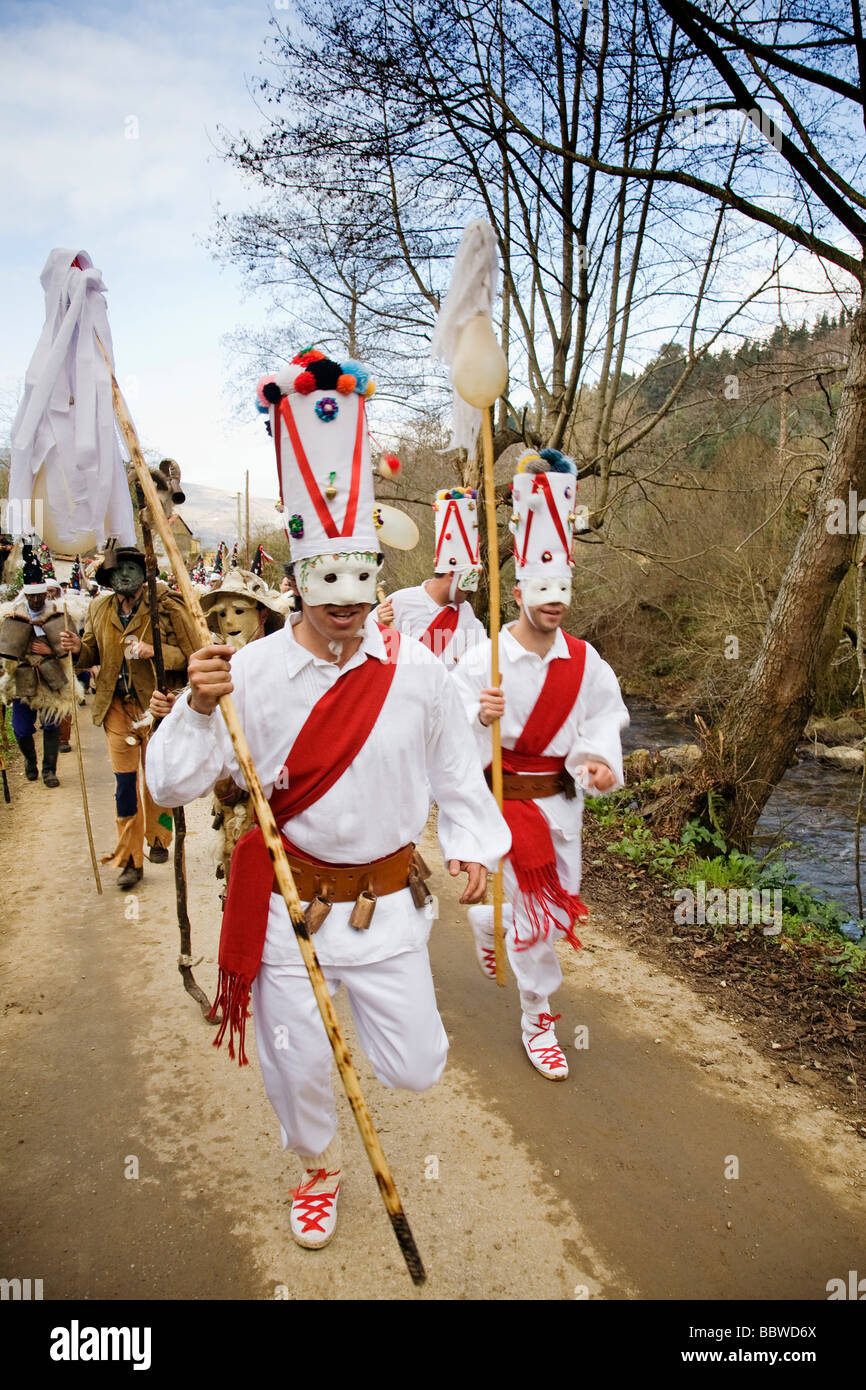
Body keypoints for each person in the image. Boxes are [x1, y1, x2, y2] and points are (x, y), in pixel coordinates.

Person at [146, 347, 509, 1251]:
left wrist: (472, 846)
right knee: (302, 1066)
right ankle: (318, 1166)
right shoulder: (249, 673)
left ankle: (351, 1046)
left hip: (387, 908)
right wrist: (196, 708)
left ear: (375, 575)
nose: (347, 606)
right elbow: (167, 784)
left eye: (361, 582)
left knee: (419, 1068)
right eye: (328, 584)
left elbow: (461, 771)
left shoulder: (417, 674)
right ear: (300, 577)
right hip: (288, 911)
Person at [452, 449, 628, 1080]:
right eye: (542, 590)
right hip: (501, 805)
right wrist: (478, 713)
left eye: (563, 591)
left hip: (560, 807)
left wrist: (600, 762)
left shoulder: (587, 662)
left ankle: (486, 922)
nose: (554, 602)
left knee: (549, 916)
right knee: (529, 925)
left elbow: (603, 720)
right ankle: (538, 1019)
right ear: (520, 589)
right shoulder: (482, 662)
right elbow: (448, 740)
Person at [60, 545, 198, 889]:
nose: (123, 575)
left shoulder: (166, 606)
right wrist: (78, 648)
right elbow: (93, 649)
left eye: (131, 569)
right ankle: (131, 860)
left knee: (157, 780)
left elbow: (193, 653)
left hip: (157, 707)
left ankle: (159, 839)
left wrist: (156, 651)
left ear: (145, 573)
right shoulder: (99, 607)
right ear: (107, 578)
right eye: (116, 571)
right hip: (117, 707)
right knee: (124, 786)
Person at [378, 487, 486, 668]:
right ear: (452, 574)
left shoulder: (466, 612)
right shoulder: (398, 601)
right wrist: (380, 626)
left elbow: (481, 660)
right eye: (469, 580)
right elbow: (368, 649)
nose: (471, 589)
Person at [0, 542, 72, 787]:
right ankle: (30, 760)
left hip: (51, 677)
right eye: (32, 596)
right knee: (21, 729)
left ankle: (49, 771)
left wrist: (50, 649)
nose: (37, 599)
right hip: (22, 678)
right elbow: (5, 648)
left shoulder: (59, 613)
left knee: (51, 723)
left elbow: (72, 647)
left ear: (46, 593)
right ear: (26, 595)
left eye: (41, 595)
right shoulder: (11, 613)